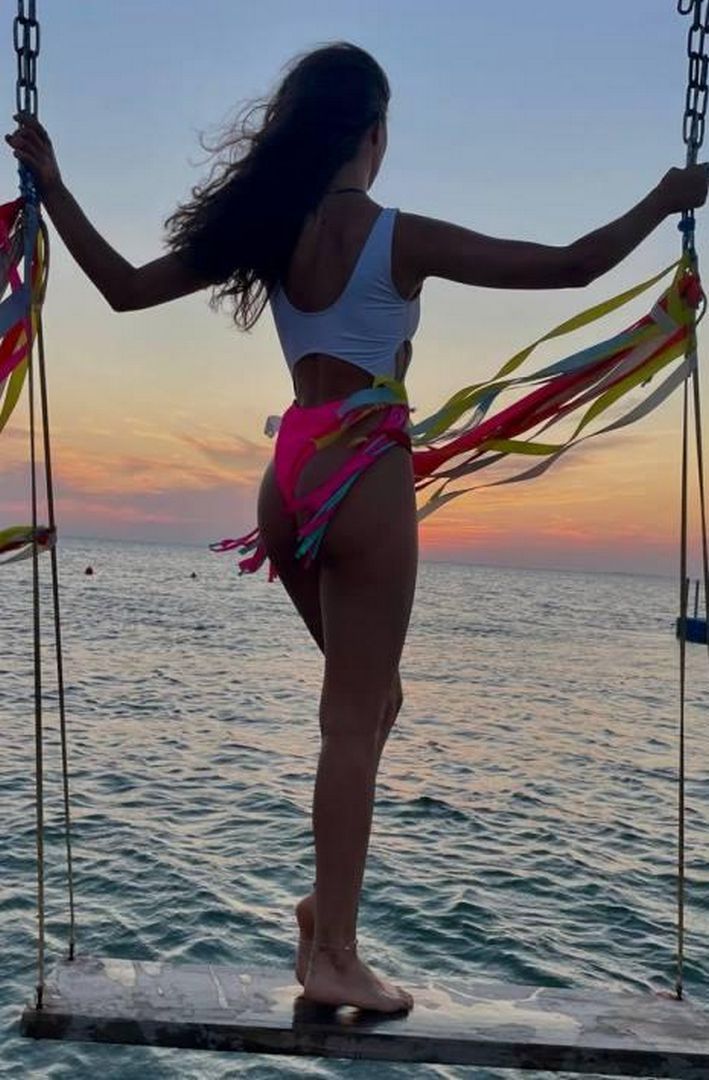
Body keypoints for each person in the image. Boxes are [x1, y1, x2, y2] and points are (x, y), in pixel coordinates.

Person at [6, 41, 708, 1014]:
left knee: (375, 703)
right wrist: (666, 198)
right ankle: (334, 951)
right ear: (373, 132)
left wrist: (55, 186)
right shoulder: (396, 236)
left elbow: (123, 288)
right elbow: (572, 266)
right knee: (349, 721)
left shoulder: (271, 230)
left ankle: (317, 912)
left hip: (288, 476)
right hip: (364, 473)